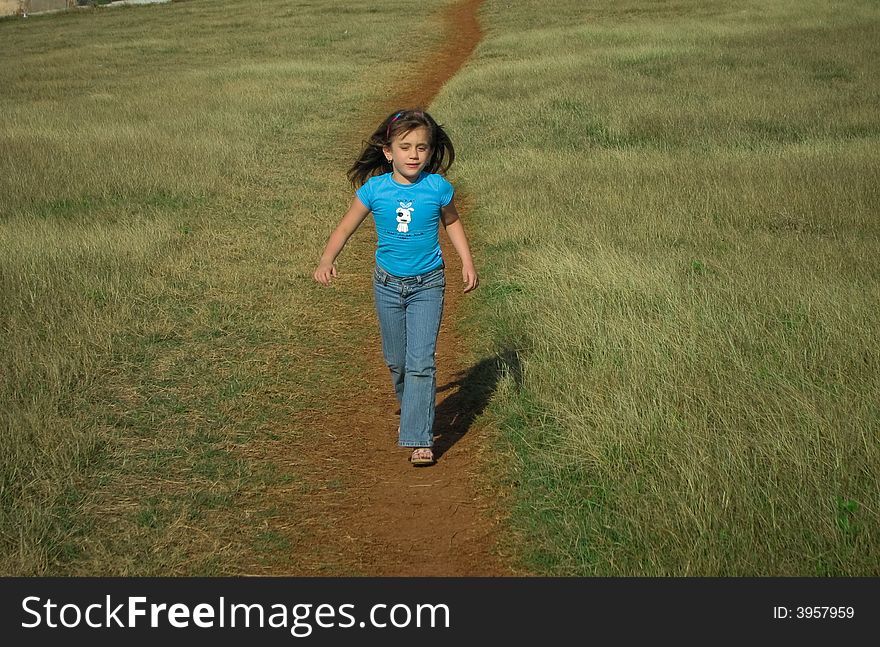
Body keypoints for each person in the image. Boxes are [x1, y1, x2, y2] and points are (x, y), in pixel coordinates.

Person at [313, 108, 479, 466]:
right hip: (387, 285)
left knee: (421, 362)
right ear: (388, 151)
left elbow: (452, 223)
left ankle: (420, 438)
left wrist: (466, 261)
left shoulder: (437, 187)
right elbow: (344, 229)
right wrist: (327, 260)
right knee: (397, 361)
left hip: (428, 284)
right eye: (405, 147)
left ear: (430, 151)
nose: (414, 155)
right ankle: (412, 404)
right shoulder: (375, 190)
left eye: (421, 147)